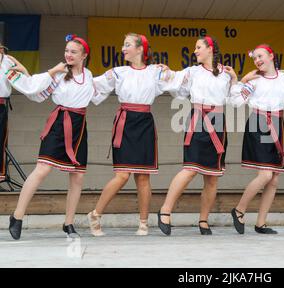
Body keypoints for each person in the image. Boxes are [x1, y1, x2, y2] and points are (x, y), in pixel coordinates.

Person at [87, 33, 182, 236]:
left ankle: (143, 223)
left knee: (143, 177)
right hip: (125, 122)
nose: (123, 48)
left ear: (140, 49)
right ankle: (95, 214)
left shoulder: (155, 72)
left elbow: (179, 82)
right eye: (123, 44)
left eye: (127, 45)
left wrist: (171, 72)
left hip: (145, 122)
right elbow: (93, 85)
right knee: (122, 175)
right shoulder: (118, 72)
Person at [7, 34, 95, 240]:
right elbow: (36, 93)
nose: (68, 54)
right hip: (59, 123)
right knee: (42, 169)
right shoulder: (58, 74)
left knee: (78, 177)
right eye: (67, 51)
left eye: (73, 52)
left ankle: (69, 222)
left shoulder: (89, 76)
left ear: (84, 55)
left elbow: (97, 93)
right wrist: (32, 73)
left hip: (80, 126)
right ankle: (17, 216)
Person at [157, 35, 237, 236]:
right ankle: (165, 211)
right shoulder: (192, 72)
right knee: (190, 169)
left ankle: (203, 220)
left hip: (218, 123)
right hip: (198, 119)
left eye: (198, 47)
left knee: (212, 177)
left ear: (210, 48)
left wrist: (235, 79)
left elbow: (236, 100)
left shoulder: (226, 74)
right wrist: (164, 72)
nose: (195, 51)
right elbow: (176, 84)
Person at [227, 44, 284, 234]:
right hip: (259, 123)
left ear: (271, 56)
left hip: (277, 123)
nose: (257, 60)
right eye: (255, 58)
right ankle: (239, 210)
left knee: (273, 179)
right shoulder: (254, 80)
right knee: (265, 175)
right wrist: (242, 80)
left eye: (260, 56)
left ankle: (261, 223)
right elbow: (236, 101)